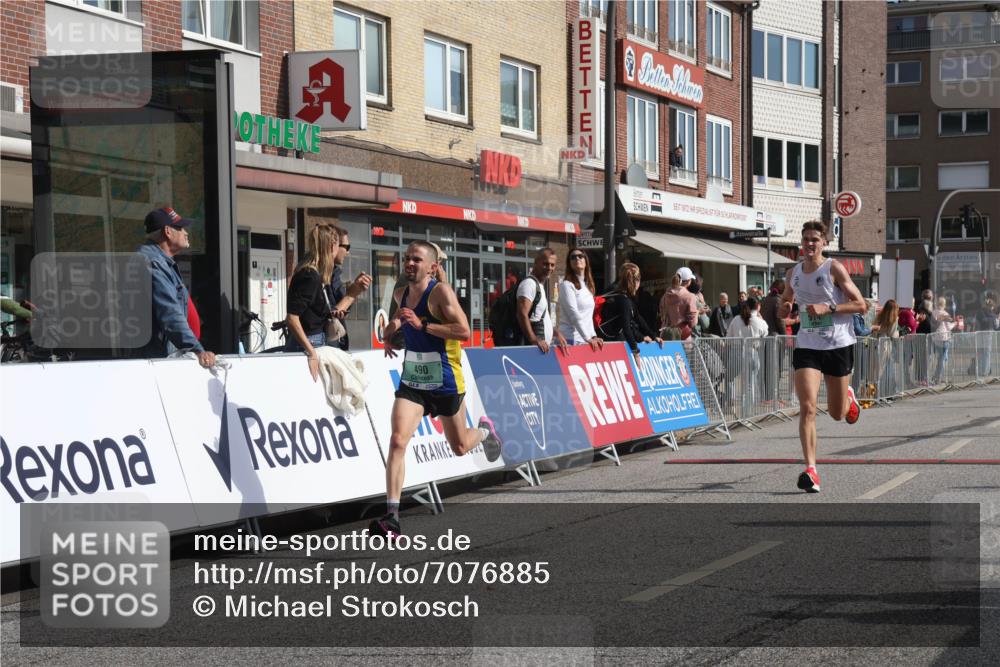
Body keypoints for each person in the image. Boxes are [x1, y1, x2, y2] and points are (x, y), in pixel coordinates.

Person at [373, 241, 504, 539]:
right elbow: (401, 316)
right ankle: (391, 516)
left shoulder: (441, 293)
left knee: (459, 447)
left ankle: (485, 431)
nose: (409, 263)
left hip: (445, 380)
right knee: (397, 440)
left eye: (416, 260)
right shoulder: (399, 291)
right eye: (406, 258)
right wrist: (391, 332)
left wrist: (424, 326)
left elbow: (464, 331)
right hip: (413, 381)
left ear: (432, 266)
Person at [777, 220, 867, 494]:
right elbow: (786, 302)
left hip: (838, 345)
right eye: (805, 239)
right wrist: (785, 308)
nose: (809, 244)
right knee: (807, 407)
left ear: (824, 243)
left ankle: (848, 399)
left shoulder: (834, 268)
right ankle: (812, 470)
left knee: (838, 414)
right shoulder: (793, 273)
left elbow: (861, 305)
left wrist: (828, 307)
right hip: (808, 346)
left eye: (815, 239)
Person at [136, 206, 216, 368]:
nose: (186, 233)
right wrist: (197, 350)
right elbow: (169, 314)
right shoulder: (153, 262)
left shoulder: (159, 261)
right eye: (180, 228)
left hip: (158, 356)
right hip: (155, 361)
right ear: (167, 231)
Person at [285, 224, 367, 381]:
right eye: (341, 246)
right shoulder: (309, 275)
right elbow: (292, 318)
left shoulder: (313, 273)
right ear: (331, 247)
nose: (347, 252)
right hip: (311, 343)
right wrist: (312, 353)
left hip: (315, 341)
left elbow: (311, 313)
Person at [601, 263, 662, 362]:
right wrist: (635, 351)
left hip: (610, 341)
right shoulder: (623, 300)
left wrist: (653, 336)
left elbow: (637, 317)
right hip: (616, 344)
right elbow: (627, 327)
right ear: (636, 281)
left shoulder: (624, 296)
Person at [325, 226, 372, 351]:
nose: (348, 252)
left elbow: (339, 310)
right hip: (325, 344)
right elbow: (330, 315)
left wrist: (354, 290)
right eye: (346, 247)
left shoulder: (334, 272)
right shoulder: (319, 274)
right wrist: (352, 293)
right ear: (333, 246)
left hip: (334, 342)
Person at [517, 248, 567, 354]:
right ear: (536, 263)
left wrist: (554, 332)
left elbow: (537, 316)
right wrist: (534, 340)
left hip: (540, 349)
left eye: (552, 265)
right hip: (533, 350)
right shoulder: (529, 284)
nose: (549, 268)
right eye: (545, 264)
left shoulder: (539, 285)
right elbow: (522, 314)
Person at [725, 297, 768, 411]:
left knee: (729, 378)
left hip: (737, 351)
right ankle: (747, 411)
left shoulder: (736, 319)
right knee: (750, 384)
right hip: (753, 352)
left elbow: (728, 338)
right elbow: (765, 334)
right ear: (758, 306)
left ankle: (731, 404)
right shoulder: (761, 322)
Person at [557, 249, 602, 351]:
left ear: (586, 260)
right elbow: (573, 313)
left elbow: (588, 316)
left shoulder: (588, 286)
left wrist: (593, 336)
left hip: (585, 340)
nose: (577, 258)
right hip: (569, 340)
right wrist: (588, 338)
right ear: (569, 263)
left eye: (580, 256)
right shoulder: (566, 285)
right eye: (573, 257)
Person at [659, 266, 698, 339]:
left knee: (669, 351)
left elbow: (662, 314)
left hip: (666, 335)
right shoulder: (690, 296)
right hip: (683, 336)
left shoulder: (665, 295)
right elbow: (693, 322)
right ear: (688, 281)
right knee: (686, 351)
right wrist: (698, 312)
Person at [872, 299, 900, 396]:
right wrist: (898, 333)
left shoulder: (879, 316)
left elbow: (874, 329)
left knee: (875, 370)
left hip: (876, 343)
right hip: (886, 345)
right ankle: (882, 393)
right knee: (883, 370)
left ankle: (875, 392)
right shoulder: (894, 319)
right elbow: (892, 334)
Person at [930, 296, 955, 384]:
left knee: (939, 358)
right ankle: (938, 377)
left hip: (936, 337)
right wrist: (954, 324)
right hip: (944, 337)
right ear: (944, 304)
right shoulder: (945, 314)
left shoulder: (933, 312)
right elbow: (949, 327)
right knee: (942, 359)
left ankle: (937, 376)